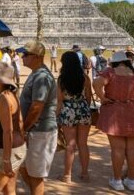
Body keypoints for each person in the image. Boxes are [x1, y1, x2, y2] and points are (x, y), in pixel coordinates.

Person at [93, 51, 134, 191]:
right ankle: (132, 180)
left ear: (114, 62)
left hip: (115, 111)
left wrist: (103, 97)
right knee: (133, 148)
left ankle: (117, 180)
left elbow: (96, 83)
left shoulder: (110, 72)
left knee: (117, 149)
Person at [17, 40, 57, 195]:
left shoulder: (41, 77)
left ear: (36, 56)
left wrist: (24, 129)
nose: (22, 57)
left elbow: (36, 107)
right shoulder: (36, 74)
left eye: (25, 54)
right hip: (35, 131)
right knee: (24, 169)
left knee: (36, 176)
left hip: (40, 132)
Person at [0, 62, 26, 194]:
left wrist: (7, 159)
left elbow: (8, 131)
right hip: (17, 147)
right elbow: (20, 122)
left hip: (9, 150)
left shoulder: (3, 98)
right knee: (9, 190)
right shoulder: (11, 94)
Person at [56, 51, 92, 183]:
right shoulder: (85, 78)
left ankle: (67, 175)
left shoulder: (62, 79)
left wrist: (56, 116)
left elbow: (59, 100)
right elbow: (88, 98)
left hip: (68, 110)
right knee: (83, 144)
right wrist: (83, 107)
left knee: (70, 145)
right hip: (83, 110)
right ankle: (85, 173)